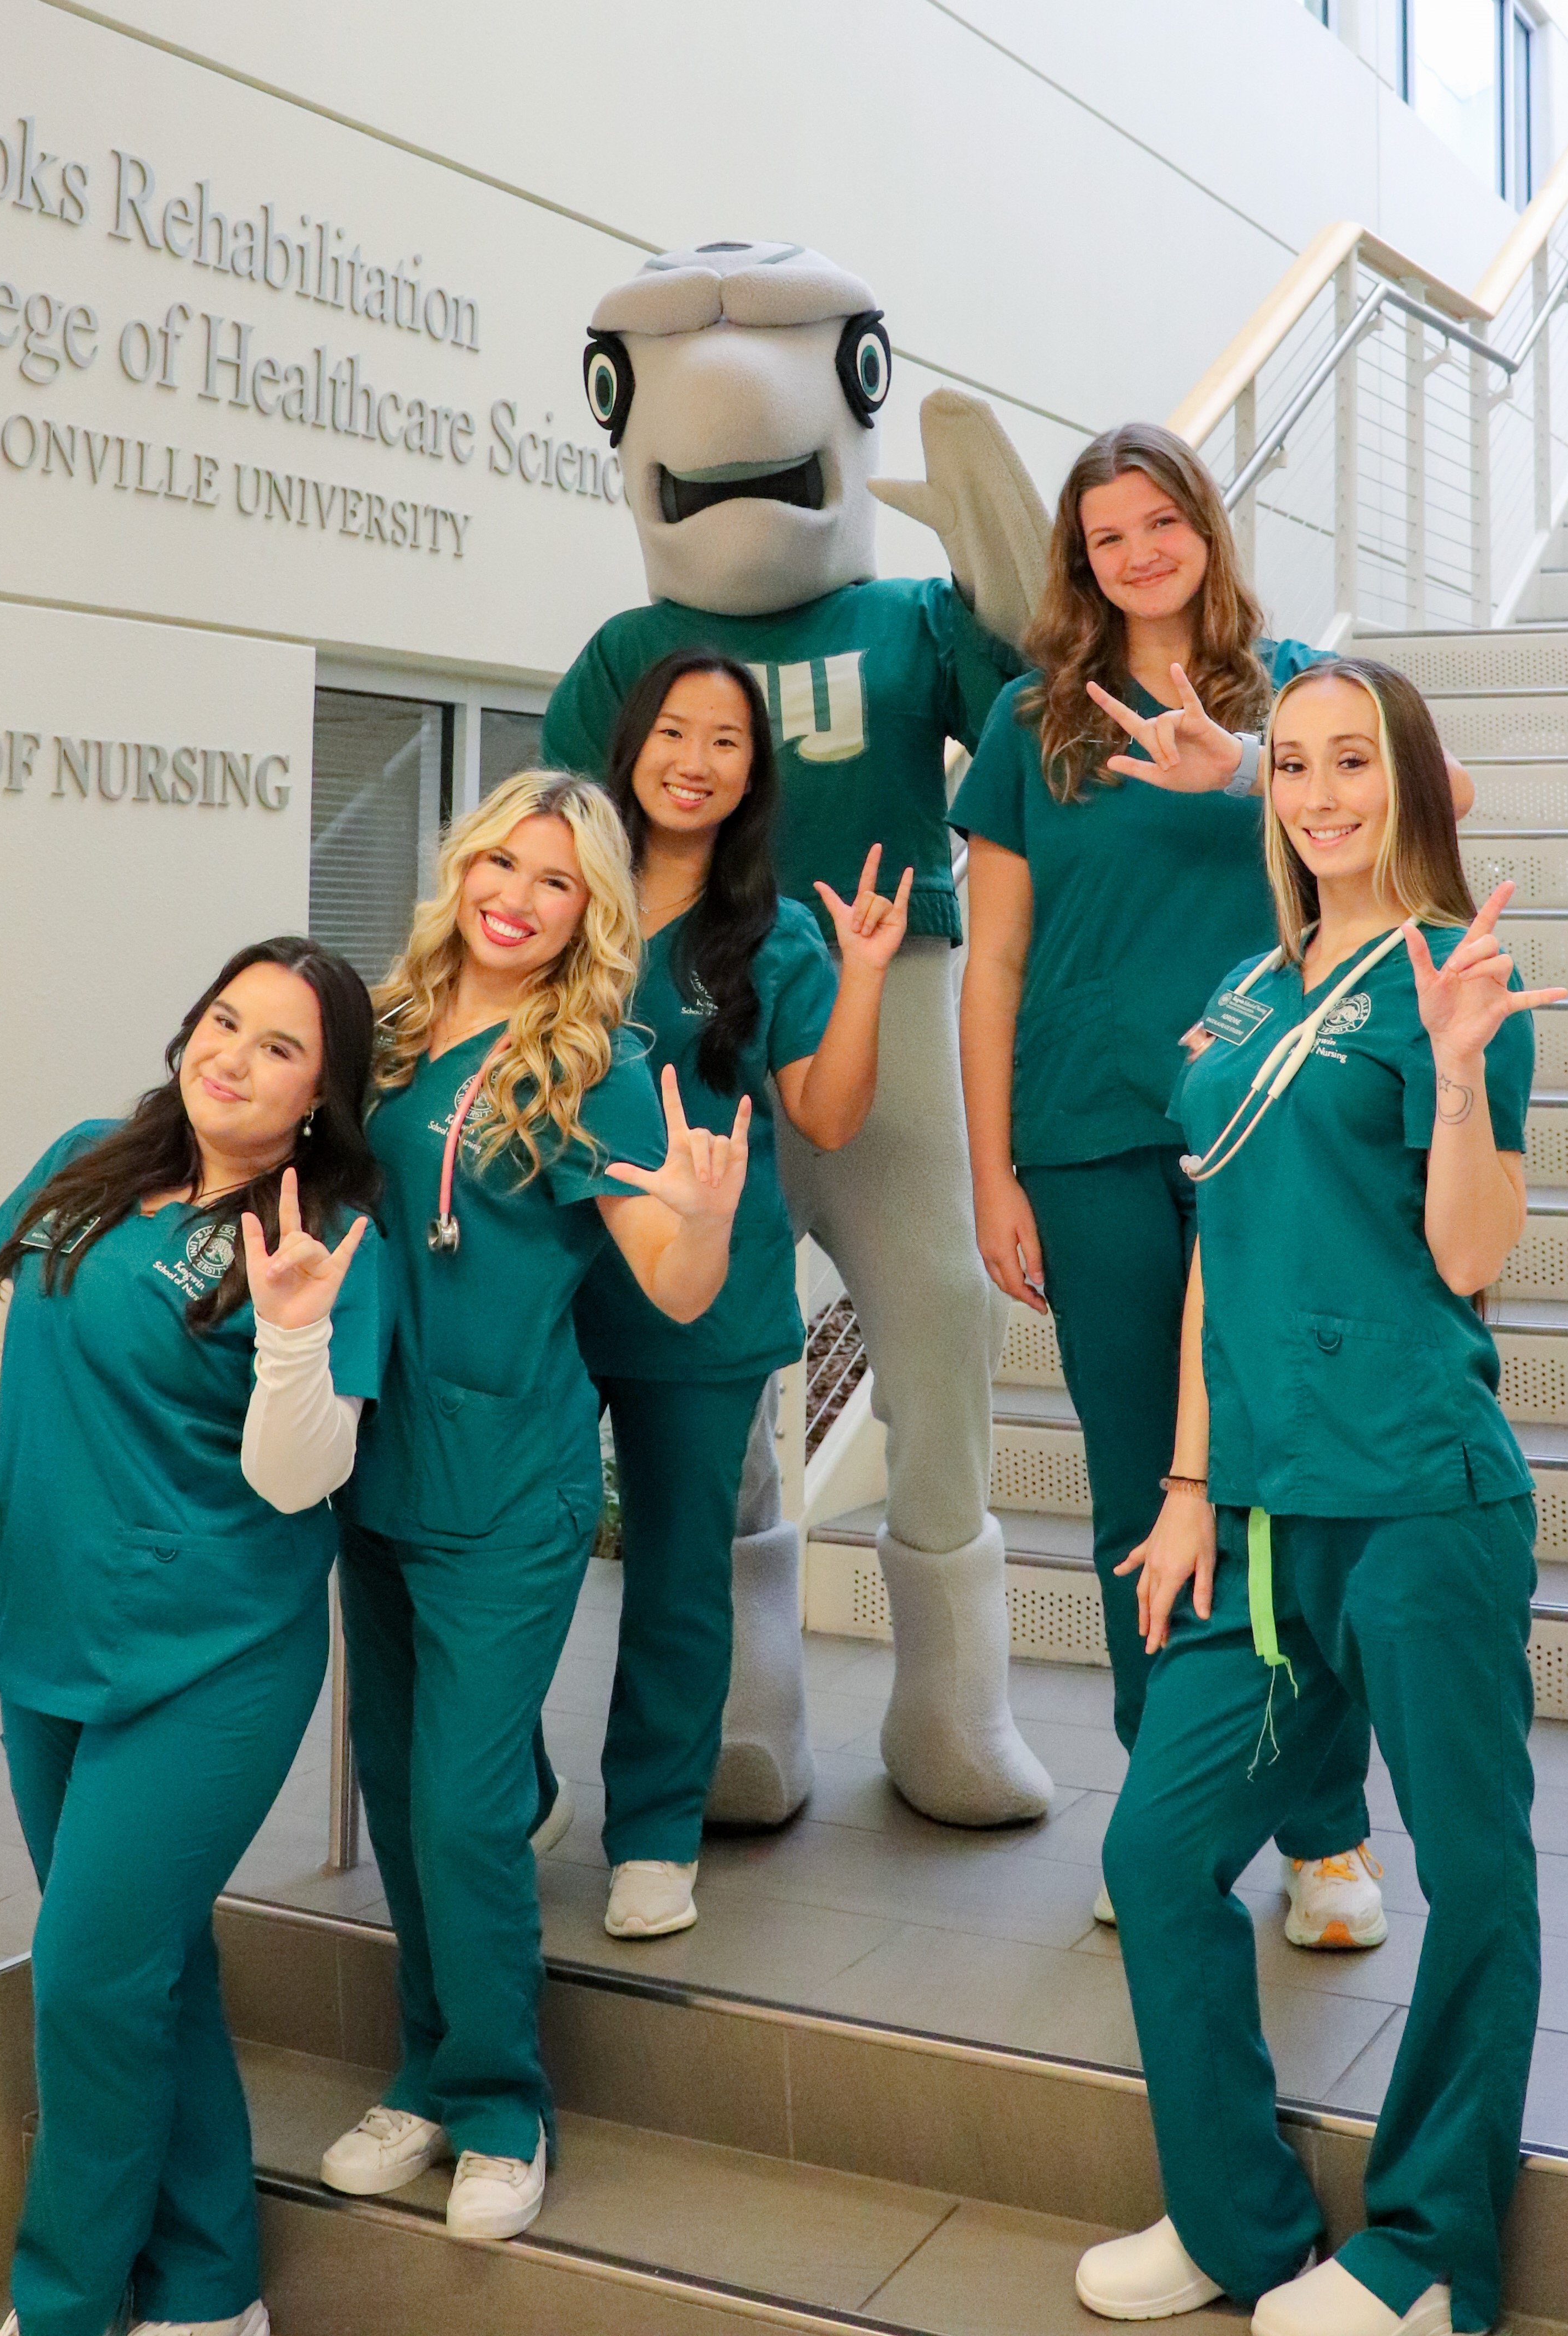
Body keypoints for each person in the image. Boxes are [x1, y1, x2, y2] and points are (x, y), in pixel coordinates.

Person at [544, 236, 1056, 1834]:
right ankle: (742, 1705)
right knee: (711, 1360)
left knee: (941, 1325)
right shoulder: (627, 661)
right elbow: (551, 837)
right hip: (685, 1010)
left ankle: (950, 1702)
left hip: (897, 998)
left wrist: (1011, 593)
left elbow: (1045, 729)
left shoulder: (913, 622)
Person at [1075, 660, 1554, 2336]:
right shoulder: (1241, 991)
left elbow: (1472, 1256)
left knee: (1476, 1874)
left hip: (1418, 1499)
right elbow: (1214, 1254)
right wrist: (1190, 1478)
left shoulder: (1457, 976)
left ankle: (1429, 2253)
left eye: (1354, 760)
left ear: (1409, 782)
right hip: (1259, 1519)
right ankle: (1234, 2220)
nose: (1321, 790)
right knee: (1156, 1849)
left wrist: (1456, 1069)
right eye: (1292, 763)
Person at [0, 938, 389, 2336]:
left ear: (324, 1094)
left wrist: (291, 1336)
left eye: (279, 1046)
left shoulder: (325, 1234)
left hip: (217, 1655)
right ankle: (209, 2291)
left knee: (88, 1973)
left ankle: (67, 2302)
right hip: (54, 1626)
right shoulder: (90, 1159)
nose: (234, 1056)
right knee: (149, 1964)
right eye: (223, 1021)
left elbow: (297, 1474)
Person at [953, 421, 1435, 1948]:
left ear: (1204, 531)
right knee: (1133, 1489)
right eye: (1108, 535)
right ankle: (1167, 1811)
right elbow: (995, 969)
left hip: (1279, 1136)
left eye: (1160, 521)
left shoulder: (1297, 695)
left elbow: (1438, 812)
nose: (1138, 552)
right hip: (1089, 1140)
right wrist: (989, 1177)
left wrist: (1242, 773)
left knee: (1281, 1470)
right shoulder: (1029, 723)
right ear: (1077, 561)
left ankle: (1322, 1833)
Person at [318, 772, 748, 2241]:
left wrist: (706, 1212)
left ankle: (503, 2103)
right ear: (462, 867)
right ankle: (426, 2075)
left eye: (554, 880)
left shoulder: (594, 1065)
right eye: (500, 859)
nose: (516, 893)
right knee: (395, 1785)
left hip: (509, 1482)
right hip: (368, 1467)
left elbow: (676, 1289)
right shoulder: (371, 1038)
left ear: (590, 912)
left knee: (464, 1804)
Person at [574, 648, 910, 1940]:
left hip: (701, 1298)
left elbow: (825, 1108)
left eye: (726, 740)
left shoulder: (773, 937)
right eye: (674, 731)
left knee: (675, 1570)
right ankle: (507, 1785)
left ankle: (654, 1830)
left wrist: (870, 972)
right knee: (511, 1556)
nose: (695, 759)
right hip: (537, 1284)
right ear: (632, 745)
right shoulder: (562, 901)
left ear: (753, 775)